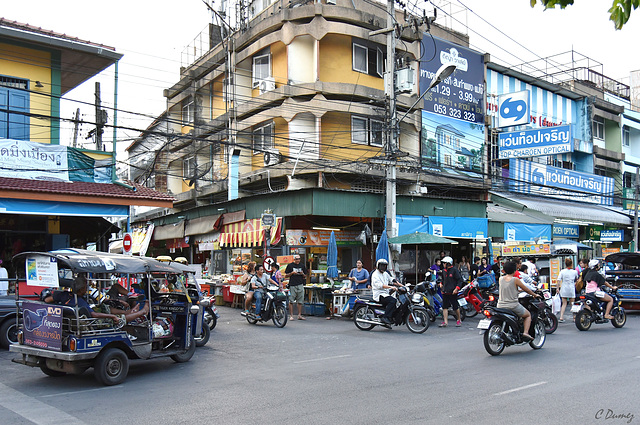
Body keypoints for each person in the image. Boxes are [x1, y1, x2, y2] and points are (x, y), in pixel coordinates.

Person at [497, 260, 539, 341]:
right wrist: (535, 295)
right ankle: (525, 332)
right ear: (514, 270)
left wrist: (518, 290)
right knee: (528, 315)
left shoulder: (501, 279)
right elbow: (527, 289)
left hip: (500, 305)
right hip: (512, 305)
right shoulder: (515, 279)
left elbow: (508, 288)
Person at [370, 258, 399, 324]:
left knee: (396, 302)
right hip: (379, 294)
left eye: (384, 266)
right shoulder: (375, 274)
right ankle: (385, 317)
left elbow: (391, 279)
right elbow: (380, 285)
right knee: (392, 301)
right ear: (378, 266)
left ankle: (390, 317)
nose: (383, 267)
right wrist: (391, 287)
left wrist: (401, 285)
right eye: (381, 265)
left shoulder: (385, 273)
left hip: (386, 293)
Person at [439, 256, 462, 327]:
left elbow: (460, 280)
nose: (443, 264)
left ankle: (458, 319)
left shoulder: (454, 270)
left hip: (452, 292)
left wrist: (456, 288)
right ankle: (445, 322)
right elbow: (443, 279)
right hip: (445, 291)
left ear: (448, 263)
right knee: (444, 307)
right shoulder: (443, 271)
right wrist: (441, 283)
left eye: (445, 263)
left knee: (455, 306)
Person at [285, 254, 308, 320]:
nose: (298, 260)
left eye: (299, 259)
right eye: (296, 259)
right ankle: (291, 315)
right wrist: (292, 273)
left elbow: (305, 275)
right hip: (292, 284)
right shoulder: (290, 265)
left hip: (300, 284)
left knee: (300, 300)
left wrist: (302, 273)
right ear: (294, 259)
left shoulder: (302, 265)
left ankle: (299, 315)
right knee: (291, 300)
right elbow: (286, 275)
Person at [556, 258, 578, 322]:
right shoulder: (574, 272)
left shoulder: (562, 271)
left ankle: (561, 317)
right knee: (572, 304)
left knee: (564, 303)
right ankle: (574, 317)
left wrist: (557, 288)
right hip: (571, 288)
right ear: (571, 264)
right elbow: (577, 279)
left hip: (564, 288)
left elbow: (558, 280)